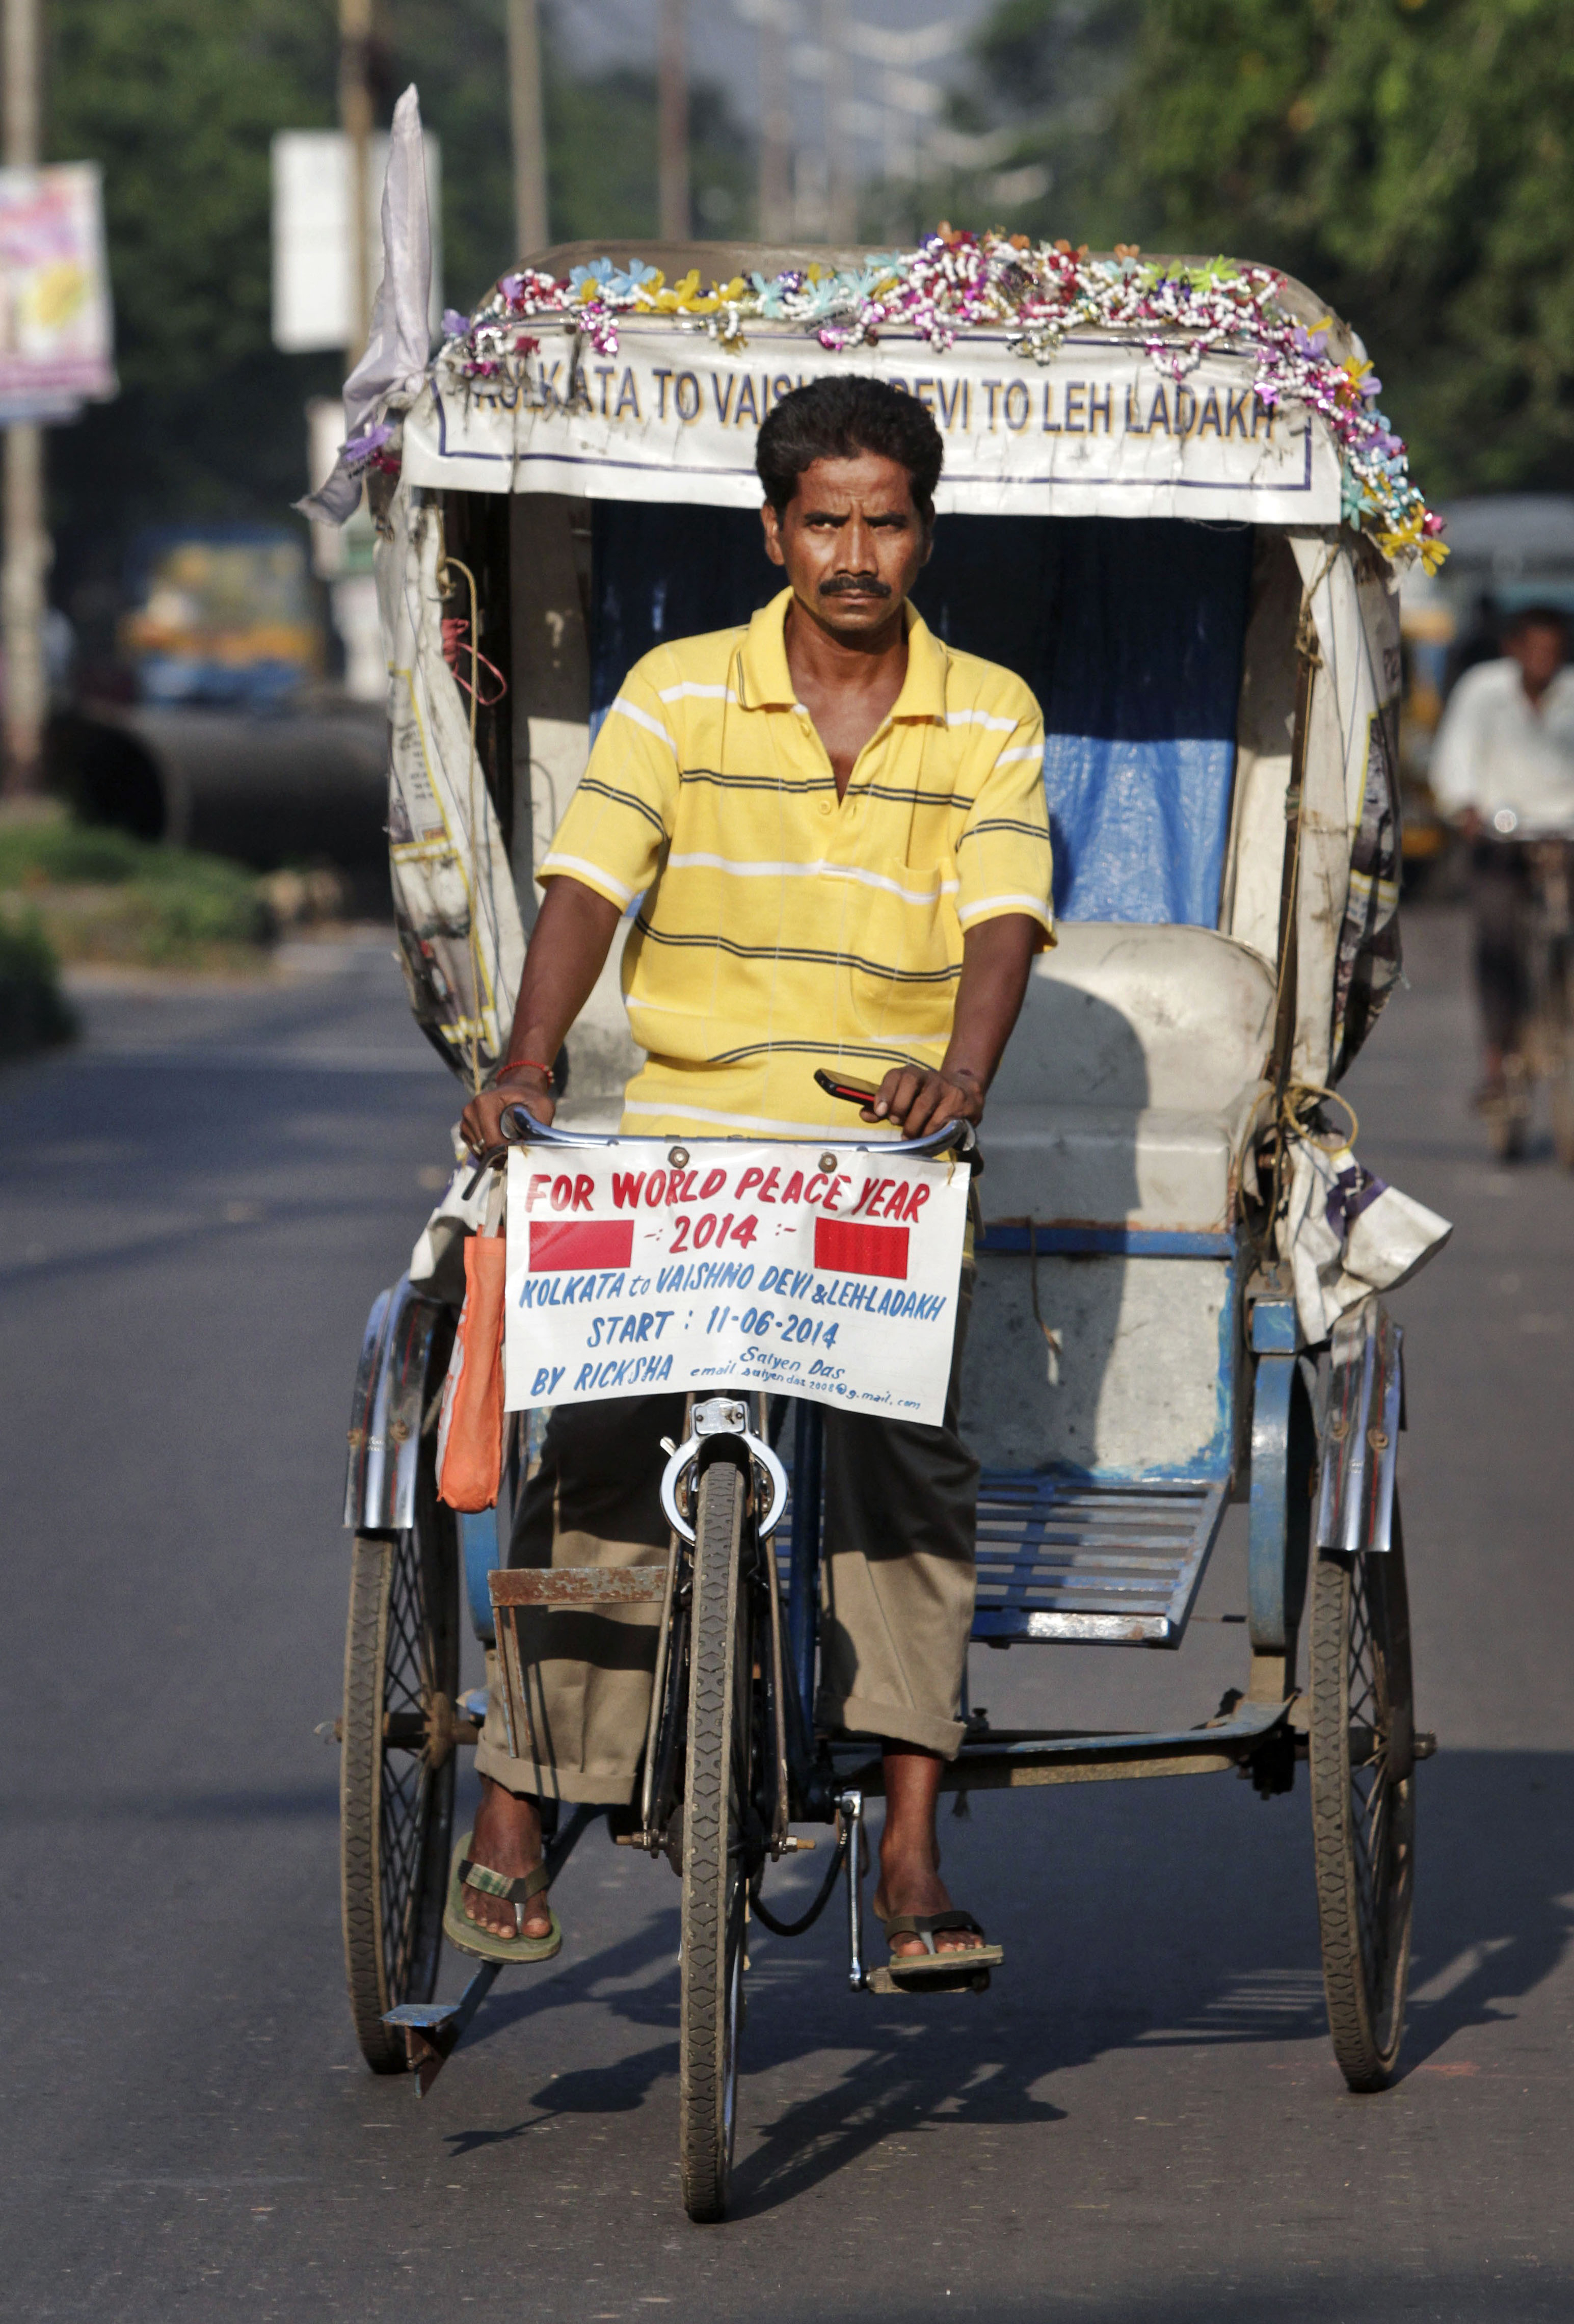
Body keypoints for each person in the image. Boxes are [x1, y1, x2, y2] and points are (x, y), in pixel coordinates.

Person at [452, 375, 1053, 1979]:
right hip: (684, 1145)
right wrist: (527, 1063)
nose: (856, 553)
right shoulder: (676, 692)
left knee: (908, 1465)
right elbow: (588, 885)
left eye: (886, 522)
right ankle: (516, 1791)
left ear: (925, 532)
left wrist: (960, 1082)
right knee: (593, 1435)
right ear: (775, 528)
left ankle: (911, 1850)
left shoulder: (989, 709)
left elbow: (1003, 914)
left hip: (884, 1153)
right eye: (826, 521)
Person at [1430, 602, 1574, 1102]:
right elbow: (1455, 758)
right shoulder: (1483, 691)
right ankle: (1497, 1059)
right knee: (1497, 942)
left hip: (1564, 833)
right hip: (1501, 837)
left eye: (1552, 652)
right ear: (1513, 649)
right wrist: (1465, 806)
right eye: (1533, 650)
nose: (1542, 661)